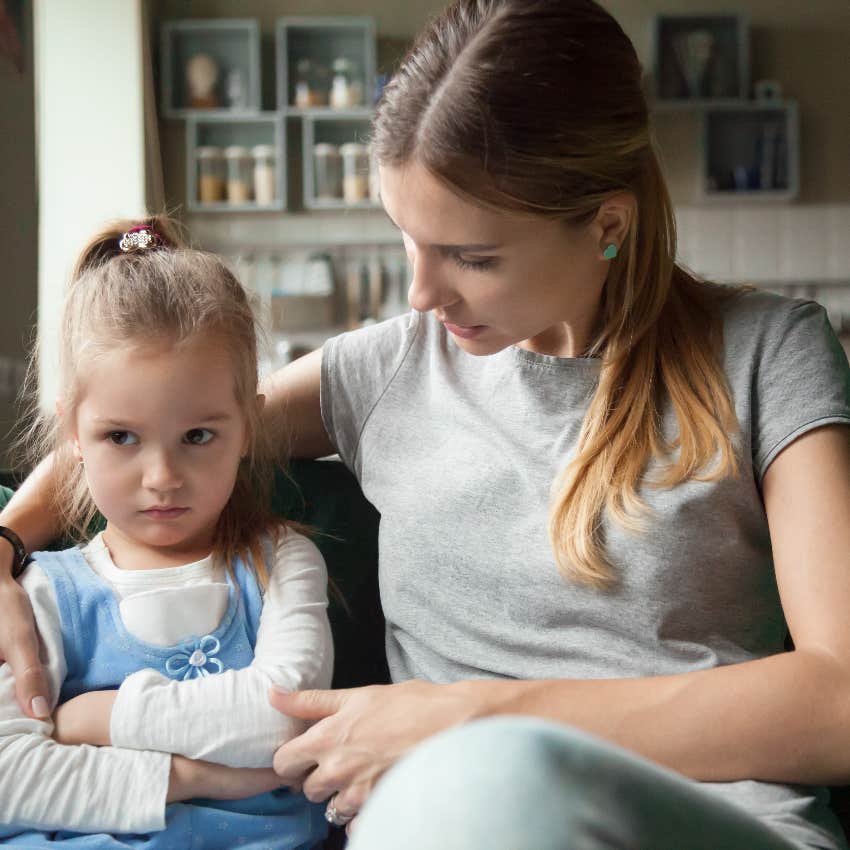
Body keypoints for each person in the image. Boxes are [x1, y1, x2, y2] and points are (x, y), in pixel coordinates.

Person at [1, 0, 849, 847]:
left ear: (607, 226)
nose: (422, 294)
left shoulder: (770, 353)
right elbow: (157, 425)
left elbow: (839, 701)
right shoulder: (388, 370)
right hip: (439, 826)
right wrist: (5, 543)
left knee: (501, 778)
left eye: (473, 258)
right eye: (408, 238)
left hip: (700, 821)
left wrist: (470, 718)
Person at [0, 217, 333, 848]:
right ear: (73, 432)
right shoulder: (40, 590)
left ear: (248, 431)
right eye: (121, 437)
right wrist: (189, 777)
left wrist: (101, 717)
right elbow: (8, 778)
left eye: (198, 437)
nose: (162, 477)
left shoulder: (283, 561)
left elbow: (285, 715)